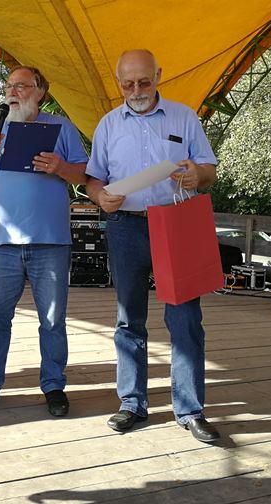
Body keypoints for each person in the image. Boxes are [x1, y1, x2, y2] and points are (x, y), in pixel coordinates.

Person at [85, 49, 221, 443]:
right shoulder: (108, 125)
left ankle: (191, 410)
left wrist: (198, 176)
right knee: (129, 319)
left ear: (159, 75)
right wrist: (99, 197)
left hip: (176, 225)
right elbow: (93, 179)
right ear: (118, 83)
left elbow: (209, 170)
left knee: (185, 319)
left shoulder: (184, 117)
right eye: (128, 84)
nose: (136, 90)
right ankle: (132, 403)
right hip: (125, 227)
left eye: (144, 82)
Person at [0, 65, 88, 417]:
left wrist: (60, 167)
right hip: (4, 243)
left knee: (52, 320)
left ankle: (53, 385)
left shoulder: (61, 127)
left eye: (21, 85)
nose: (12, 91)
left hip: (51, 242)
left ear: (40, 92)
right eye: (9, 86)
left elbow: (85, 174)